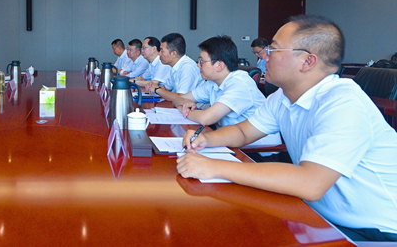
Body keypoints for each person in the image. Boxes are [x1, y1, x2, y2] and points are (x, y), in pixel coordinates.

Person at [177, 15, 397, 242]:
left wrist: (213, 167)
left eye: (273, 50)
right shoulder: (283, 96)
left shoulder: (342, 102)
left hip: (376, 231)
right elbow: (243, 132)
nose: (265, 57)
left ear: (307, 61)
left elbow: (310, 183)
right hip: (318, 217)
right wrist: (206, 140)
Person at [173, 35, 265, 127]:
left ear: (219, 66)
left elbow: (205, 118)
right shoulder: (213, 82)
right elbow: (177, 100)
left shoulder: (239, 84)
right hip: (226, 134)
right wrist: (185, 102)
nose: (198, 65)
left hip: (253, 137)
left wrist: (183, 110)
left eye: (202, 61)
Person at [153, 33, 202, 103]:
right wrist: (153, 86)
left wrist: (157, 90)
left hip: (195, 107)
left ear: (174, 54)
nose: (159, 54)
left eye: (162, 51)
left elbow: (181, 98)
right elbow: (166, 89)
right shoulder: (174, 66)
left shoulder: (187, 68)